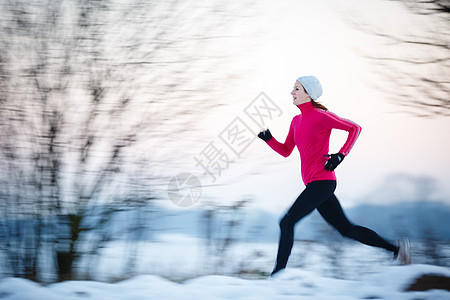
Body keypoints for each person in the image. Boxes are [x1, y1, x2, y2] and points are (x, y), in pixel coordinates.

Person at [258, 76, 411, 276]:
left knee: (286, 222)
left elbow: (355, 128)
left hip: (323, 182)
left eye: (296, 89)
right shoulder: (296, 121)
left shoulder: (321, 116)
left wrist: (341, 155)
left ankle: (278, 275)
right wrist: (269, 139)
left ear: (308, 94)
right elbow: (286, 150)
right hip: (314, 184)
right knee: (346, 229)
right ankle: (397, 249)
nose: (292, 92)